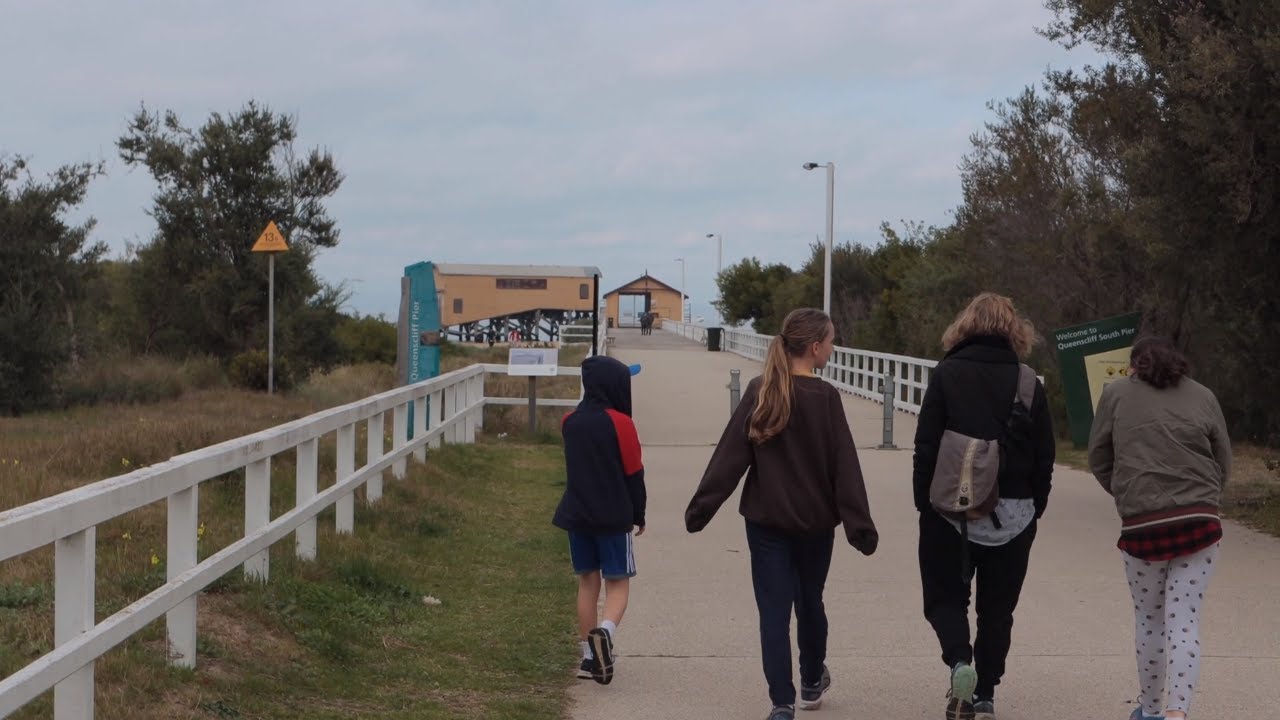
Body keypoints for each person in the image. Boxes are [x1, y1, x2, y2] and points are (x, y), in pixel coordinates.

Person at [685, 308, 879, 720]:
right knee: (810, 602)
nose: (832, 346)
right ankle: (811, 679)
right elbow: (844, 466)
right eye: (830, 340)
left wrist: (702, 507)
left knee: (773, 611)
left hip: (765, 524)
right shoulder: (825, 399)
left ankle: (781, 702)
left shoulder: (760, 390)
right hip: (815, 525)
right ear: (814, 347)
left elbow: (729, 458)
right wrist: (858, 525)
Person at [912, 292, 1054, 720]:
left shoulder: (947, 374)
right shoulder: (1029, 382)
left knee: (944, 598)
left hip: (950, 512)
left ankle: (960, 664)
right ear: (1015, 331)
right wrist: (1035, 507)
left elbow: (926, 446)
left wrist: (924, 503)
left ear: (965, 325)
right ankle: (987, 693)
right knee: (997, 610)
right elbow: (1045, 455)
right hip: (1015, 514)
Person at [1088, 336, 1231, 720]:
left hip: (1142, 525)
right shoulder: (1203, 395)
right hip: (1200, 522)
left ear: (1134, 366)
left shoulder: (1115, 394)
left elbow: (1099, 455)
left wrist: (1125, 493)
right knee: (1184, 620)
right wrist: (1207, 497)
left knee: (1150, 618)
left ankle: (1149, 711)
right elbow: (1223, 460)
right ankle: (1176, 714)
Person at [552, 355, 646, 685]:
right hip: (613, 516)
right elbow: (634, 473)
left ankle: (588, 657)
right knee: (618, 582)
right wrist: (640, 513)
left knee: (587, 582)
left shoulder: (570, 422)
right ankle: (604, 634)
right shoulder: (621, 423)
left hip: (578, 515)